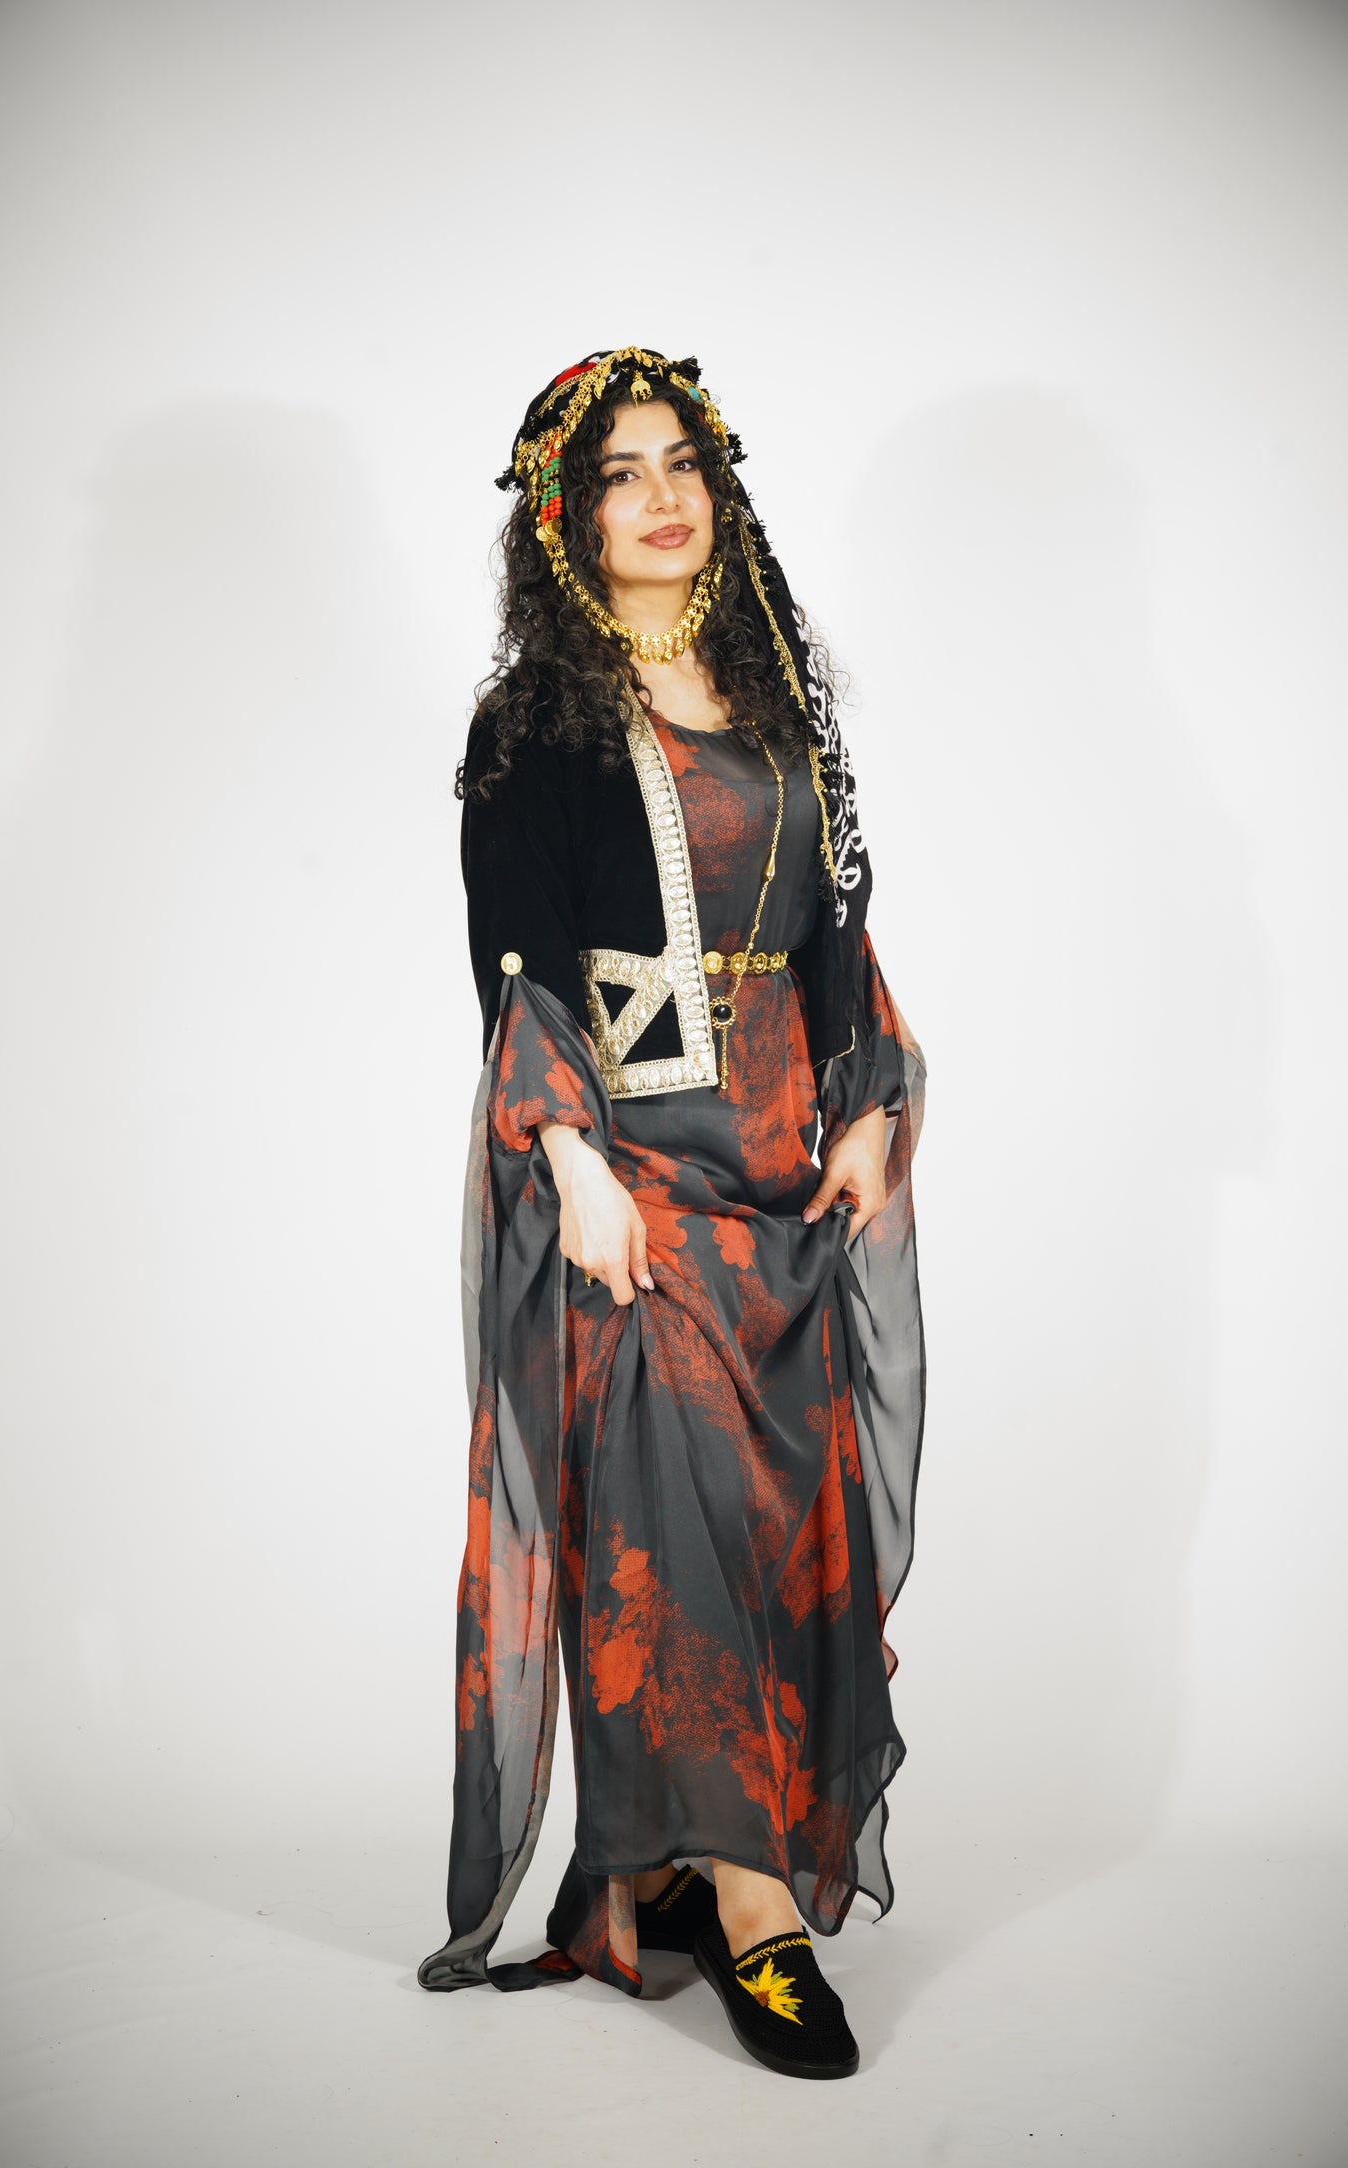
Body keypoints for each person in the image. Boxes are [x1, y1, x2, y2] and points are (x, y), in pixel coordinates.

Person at [417, 346, 927, 2082]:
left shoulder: (781, 702)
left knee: (778, 1528)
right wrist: (565, 1163)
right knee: (668, 1525)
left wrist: (872, 1108)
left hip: (786, 1167)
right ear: (564, 520)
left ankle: (688, 1870)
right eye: (618, 473)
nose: (658, 496)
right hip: (630, 1179)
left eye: (680, 462)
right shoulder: (535, 725)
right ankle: (759, 1911)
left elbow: (839, 929)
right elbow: (516, 965)